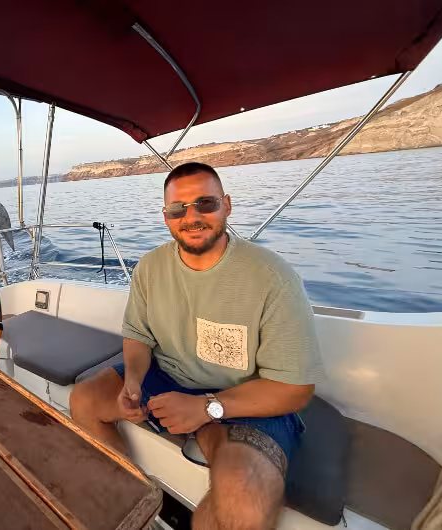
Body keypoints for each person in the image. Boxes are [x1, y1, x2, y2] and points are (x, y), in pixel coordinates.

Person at [70, 162, 323, 530]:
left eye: (206, 203)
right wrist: (134, 381)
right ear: (166, 216)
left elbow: (295, 389)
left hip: (245, 397)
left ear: (227, 206)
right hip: (167, 380)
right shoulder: (151, 267)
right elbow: (138, 336)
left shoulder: (271, 278)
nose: (192, 217)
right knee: (84, 400)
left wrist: (207, 407)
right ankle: (136, 504)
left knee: (244, 501)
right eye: (178, 209)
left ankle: (206, 440)